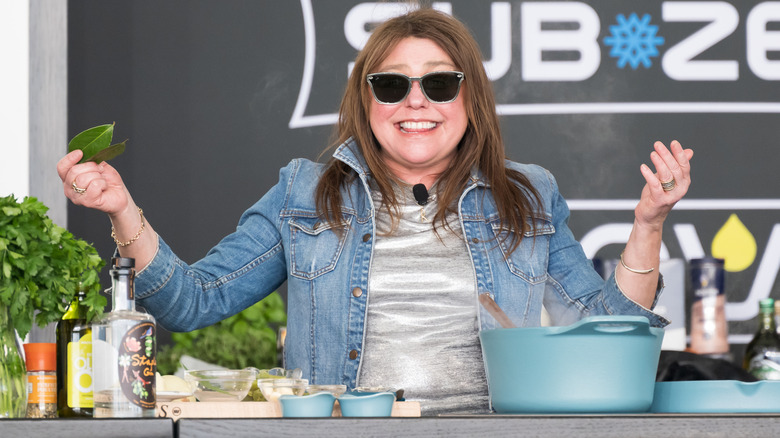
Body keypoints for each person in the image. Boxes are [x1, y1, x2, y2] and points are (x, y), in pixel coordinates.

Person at [57, 8, 693, 415]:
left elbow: (615, 333)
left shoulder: (527, 195)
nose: (415, 102)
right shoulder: (303, 192)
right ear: (366, 101)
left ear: (470, 98)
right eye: (392, 84)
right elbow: (191, 302)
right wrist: (120, 206)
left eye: (439, 83)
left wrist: (649, 225)